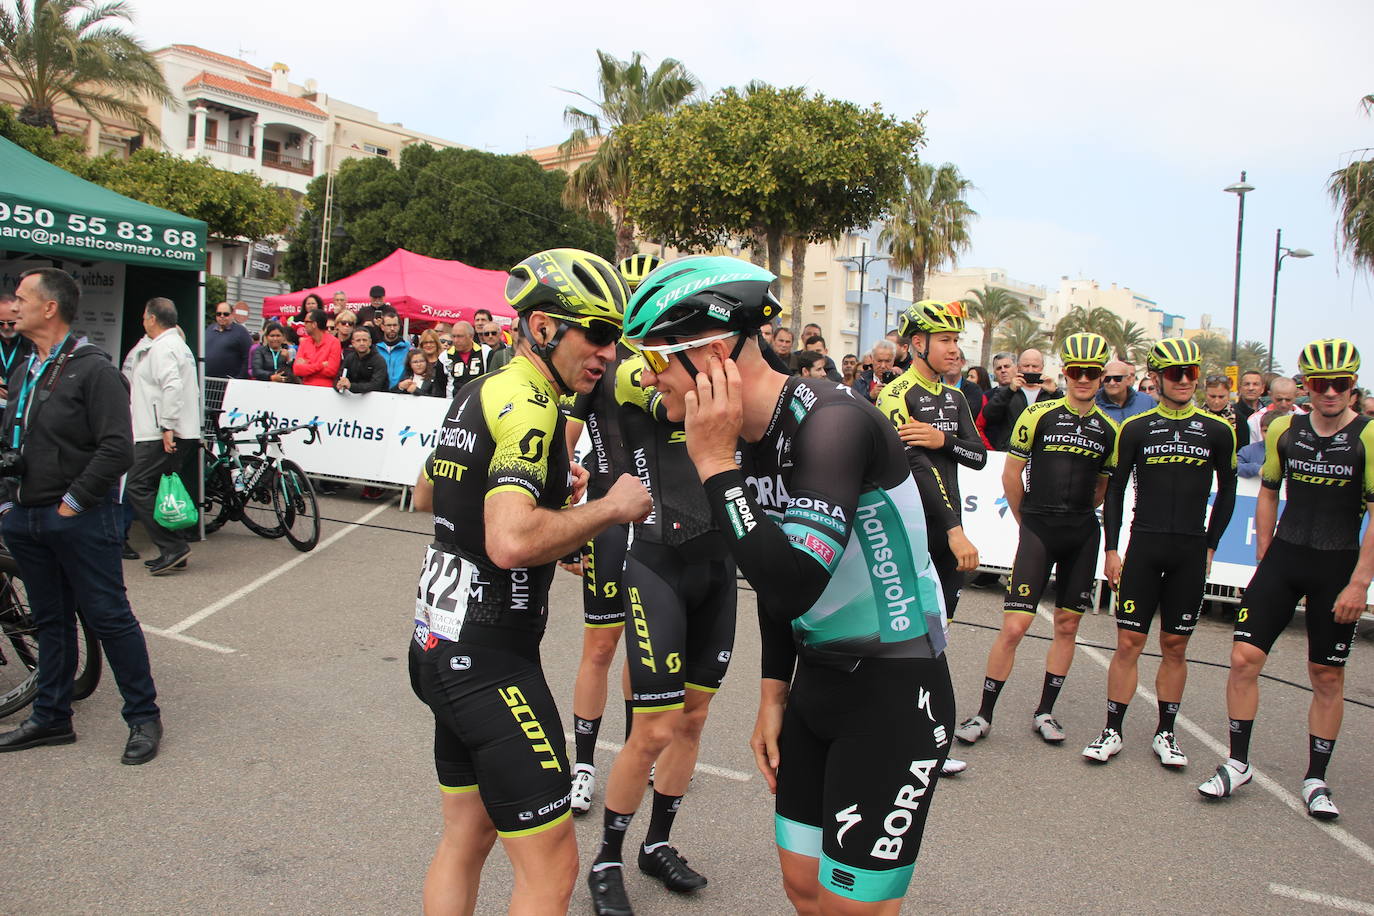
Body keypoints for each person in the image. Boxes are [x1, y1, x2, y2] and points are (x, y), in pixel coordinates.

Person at [624, 258, 954, 913]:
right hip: (819, 688)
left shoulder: (831, 422)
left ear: (713, 353)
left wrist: (716, 466)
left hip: (894, 689)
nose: (647, 373)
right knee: (805, 888)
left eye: (658, 355)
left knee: (855, 905)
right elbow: (771, 569)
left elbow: (796, 583)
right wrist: (775, 694)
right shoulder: (744, 437)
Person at [408, 249, 650, 914]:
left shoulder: (479, 389)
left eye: (618, 337)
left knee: (467, 834)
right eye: (598, 332)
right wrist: (608, 507)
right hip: (489, 662)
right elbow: (510, 541)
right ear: (543, 326)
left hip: (437, 646)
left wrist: (552, 497)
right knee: (552, 870)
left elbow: (428, 493)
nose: (609, 351)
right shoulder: (536, 406)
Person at [585, 341, 739, 915]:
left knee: (693, 721)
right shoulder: (649, 384)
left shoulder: (731, 398)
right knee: (651, 730)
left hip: (720, 571)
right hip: (659, 567)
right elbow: (634, 377)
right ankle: (607, 858)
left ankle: (658, 843)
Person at [1199, 339, 1374, 820]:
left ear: (1353, 387)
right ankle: (1238, 763)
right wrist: (1263, 560)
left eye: (1340, 384)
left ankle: (1316, 777)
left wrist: (1359, 584)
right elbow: (1269, 493)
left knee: (1325, 674)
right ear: (1306, 387)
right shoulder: (1284, 428)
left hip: (1337, 565)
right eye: (1321, 384)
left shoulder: (1370, 435)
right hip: (1285, 558)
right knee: (1243, 658)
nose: (1331, 392)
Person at [0, 267, 161, 763]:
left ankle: (143, 717)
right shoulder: (25, 366)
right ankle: (51, 717)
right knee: (49, 621)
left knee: (109, 619)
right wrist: (10, 502)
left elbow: (117, 450)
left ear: (50, 307)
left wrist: (72, 503)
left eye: (21, 297)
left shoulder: (94, 369)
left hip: (78, 518)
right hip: (25, 516)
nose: (12, 306)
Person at [955, 333, 1118, 747]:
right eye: (1077, 372)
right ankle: (983, 714)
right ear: (1065, 374)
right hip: (1039, 530)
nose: (1084, 379)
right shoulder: (1040, 415)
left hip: (1082, 533)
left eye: (1092, 373)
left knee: (1067, 625)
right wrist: (1026, 520)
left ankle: (1046, 711)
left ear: (1100, 378)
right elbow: (1011, 475)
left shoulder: (1110, 428)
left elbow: (1102, 488)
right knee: (1014, 627)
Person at [1084, 339, 1237, 766]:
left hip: (1189, 549)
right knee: (1129, 641)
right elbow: (1114, 491)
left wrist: (1210, 546)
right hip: (1144, 546)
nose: (1186, 380)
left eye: (1192, 373)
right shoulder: (1135, 428)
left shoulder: (1218, 429)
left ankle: (1166, 733)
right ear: (1157, 378)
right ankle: (1111, 729)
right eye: (1176, 373)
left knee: (1175, 645)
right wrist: (1112, 549)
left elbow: (1227, 492)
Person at [877, 299, 987, 777]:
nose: (954, 349)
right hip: (912, 530)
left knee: (934, 637)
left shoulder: (957, 398)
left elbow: (978, 455)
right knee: (901, 636)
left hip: (947, 533)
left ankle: (916, 733)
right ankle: (894, 734)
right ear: (917, 343)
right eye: (944, 340)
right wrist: (955, 529)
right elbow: (916, 470)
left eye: (956, 341)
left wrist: (944, 440)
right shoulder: (895, 394)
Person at [123, 297, 201, 576]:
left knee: (137, 485)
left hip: (161, 432)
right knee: (157, 488)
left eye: (145, 316)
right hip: (169, 429)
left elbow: (172, 386)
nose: (143, 321)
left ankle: (173, 547)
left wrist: (167, 425)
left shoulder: (164, 346)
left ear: (153, 318)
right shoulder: (176, 345)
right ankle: (173, 547)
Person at [981, 348, 1062, 450]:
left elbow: (1065, 418)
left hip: (1041, 453)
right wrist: (1010, 391)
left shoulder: (1049, 393)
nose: (1030, 370)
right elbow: (989, 415)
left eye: (1035, 366)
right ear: (1018, 367)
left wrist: (1055, 393)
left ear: (1042, 367)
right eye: (1026, 366)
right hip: (1011, 452)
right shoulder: (1007, 391)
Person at [1094, 359, 1154, 425]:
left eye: (1117, 378)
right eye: (1107, 379)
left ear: (1128, 379)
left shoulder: (1146, 401)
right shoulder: (1093, 404)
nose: (1112, 382)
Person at [292, 308, 342, 387]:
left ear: (314, 324)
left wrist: (307, 364)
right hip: (306, 388)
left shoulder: (334, 342)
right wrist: (321, 365)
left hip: (325, 389)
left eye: (306, 322)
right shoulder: (304, 342)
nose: (304, 324)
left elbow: (331, 371)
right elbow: (297, 370)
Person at [1246, 376, 1303, 444]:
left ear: (1296, 396)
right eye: (1279, 399)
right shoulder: (1255, 420)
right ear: (1270, 395)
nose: (1283, 404)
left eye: (1288, 400)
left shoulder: (1304, 416)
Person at [204, 299, 252, 379]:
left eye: (225, 314)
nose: (222, 316)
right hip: (208, 381)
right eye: (219, 314)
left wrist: (239, 378)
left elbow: (248, 358)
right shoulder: (209, 329)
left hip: (229, 383)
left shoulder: (241, 332)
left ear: (232, 314)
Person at [337, 327, 390, 394]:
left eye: (364, 340)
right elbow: (339, 377)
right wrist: (338, 385)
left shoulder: (379, 360)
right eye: (358, 340)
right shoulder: (349, 358)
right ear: (353, 343)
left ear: (370, 342)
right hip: (351, 400)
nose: (362, 343)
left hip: (377, 400)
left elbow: (376, 385)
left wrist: (351, 386)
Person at [0, 291, 31, 405]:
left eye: (11, 323)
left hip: (20, 407)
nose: (6, 327)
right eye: (1, 323)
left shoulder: (33, 341)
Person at [1236, 408, 1286, 478]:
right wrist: (1257, 469)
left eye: (1274, 431)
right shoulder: (1248, 451)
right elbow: (1234, 466)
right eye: (1265, 431)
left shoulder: (1294, 451)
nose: (1269, 435)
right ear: (1260, 430)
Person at [445, 321, 487, 391]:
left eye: (460, 336)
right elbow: (440, 385)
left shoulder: (485, 352)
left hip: (478, 398)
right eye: (453, 336)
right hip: (454, 399)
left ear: (471, 336)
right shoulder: (445, 356)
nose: (455, 340)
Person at [375, 311, 412, 389]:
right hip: (378, 393)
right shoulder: (375, 349)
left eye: (395, 325)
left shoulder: (409, 349)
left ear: (399, 327)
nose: (392, 328)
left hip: (401, 393)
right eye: (388, 325)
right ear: (382, 327)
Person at [1235, 370, 1266, 445]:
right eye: (1246, 384)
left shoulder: (1268, 413)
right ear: (1240, 388)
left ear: (1262, 388)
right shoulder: (1232, 413)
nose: (1251, 388)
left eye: (1255, 384)